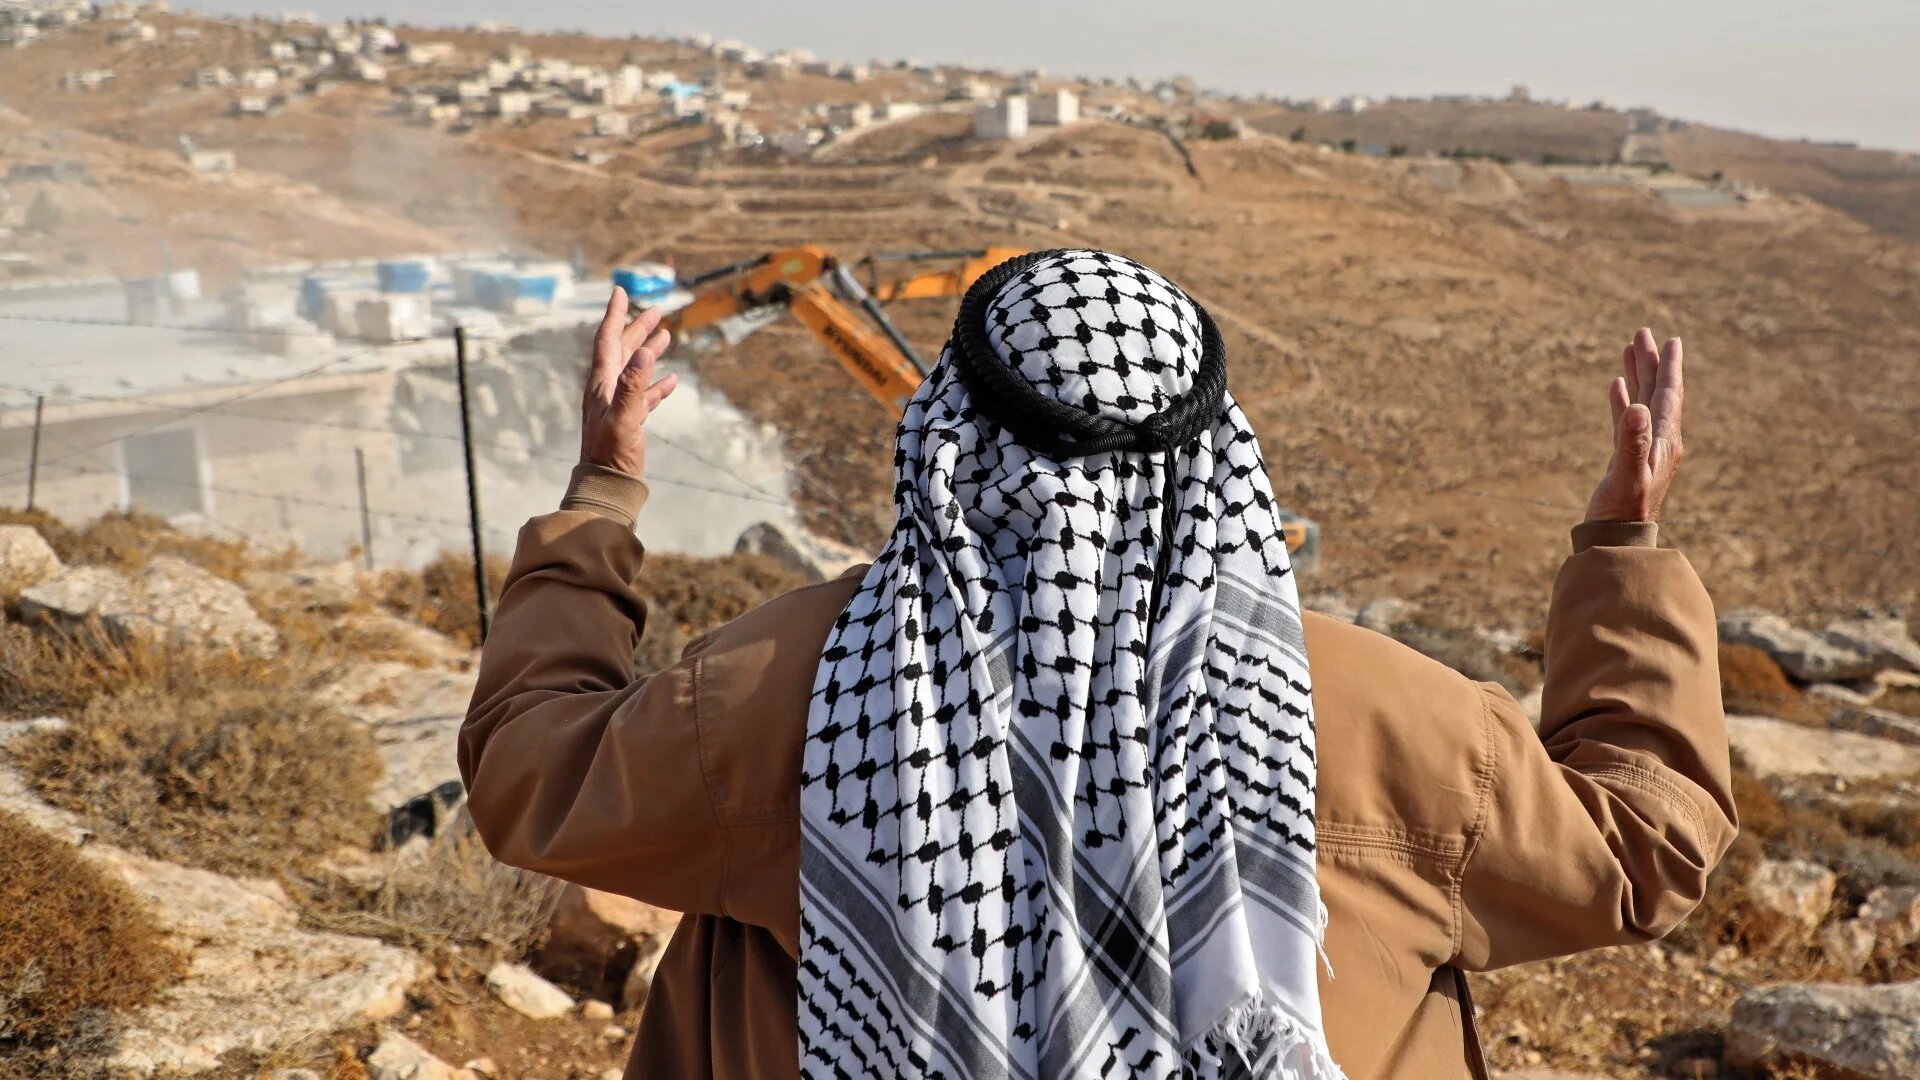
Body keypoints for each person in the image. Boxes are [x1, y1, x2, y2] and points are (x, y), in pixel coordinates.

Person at [460, 250, 1734, 1080]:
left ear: (949, 433)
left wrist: (602, 494)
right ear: (1216, 448)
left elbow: (531, 774)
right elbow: (1642, 849)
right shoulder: (1400, 721)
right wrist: (1623, 545)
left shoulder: (784, 689)